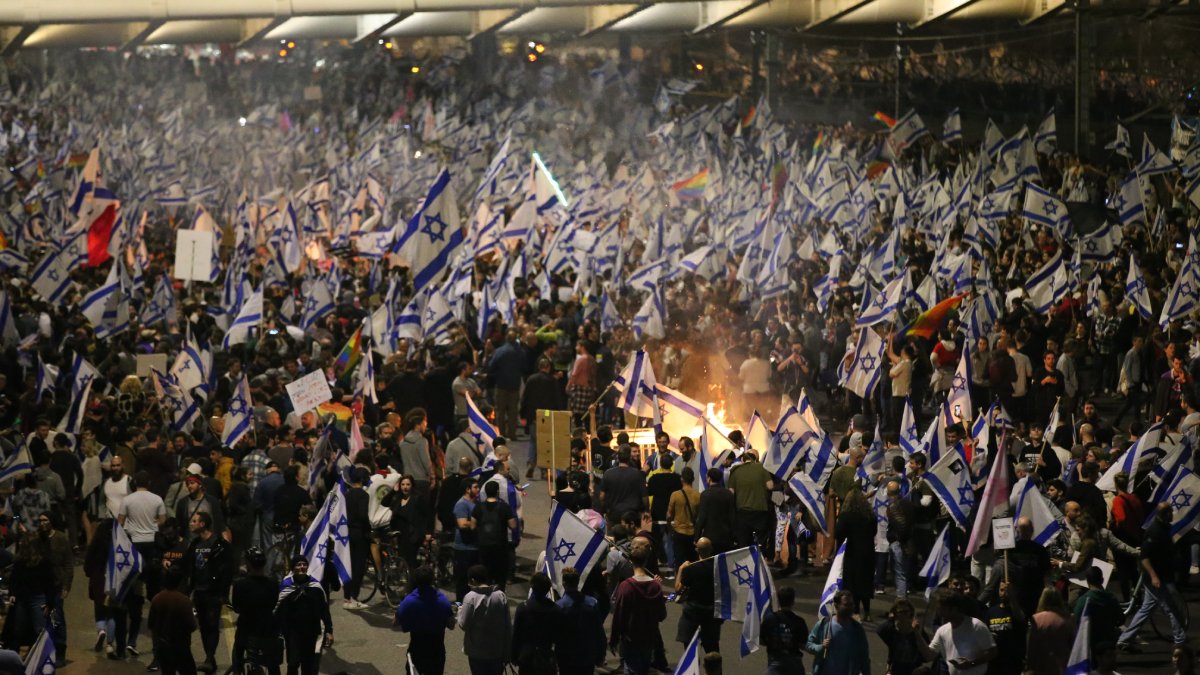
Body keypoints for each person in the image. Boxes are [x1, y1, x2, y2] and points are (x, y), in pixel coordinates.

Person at [1118, 502, 1188, 651]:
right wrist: (1154, 576)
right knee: (1171, 609)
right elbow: (1145, 557)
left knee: (1146, 609)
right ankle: (1180, 640)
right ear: (1164, 514)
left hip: (1161, 576)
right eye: (1170, 512)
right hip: (1156, 578)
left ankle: (1124, 640)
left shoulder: (1164, 528)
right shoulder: (1154, 531)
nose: (1172, 515)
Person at [181, 511, 232, 673]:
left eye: (194, 521)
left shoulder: (218, 544)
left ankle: (210, 657)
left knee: (211, 625)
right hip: (199, 592)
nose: (191, 524)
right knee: (203, 626)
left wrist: (224, 593)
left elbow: (227, 570)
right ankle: (210, 658)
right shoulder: (195, 544)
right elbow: (187, 567)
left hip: (213, 592)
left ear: (203, 524)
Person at [609, 545, 667, 675]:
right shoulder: (655, 586)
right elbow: (662, 615)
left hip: (631, 637)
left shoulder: (625, 586)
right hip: (649, 636)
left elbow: (619, 615)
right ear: (645, 561)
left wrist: (613, 639)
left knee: (631, 669)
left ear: (630, 561)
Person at [274, 555, 333, 675]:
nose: (302, 567)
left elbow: (324, 610)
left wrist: (329, 630)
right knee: (293, 663)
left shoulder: (315, 587)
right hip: (292, 632)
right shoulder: (286, 586)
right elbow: (277, 609)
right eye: (298, 564)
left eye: (304, 564)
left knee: (308, 665)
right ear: (292, 568)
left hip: (311, 631)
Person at [915, 589, 996, 675]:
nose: (939, 613)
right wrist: (916, 632)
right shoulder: (942, 631)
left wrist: (971, 663)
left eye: (942, 609)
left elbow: (993, 652)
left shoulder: (976, 625)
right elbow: (930, 655)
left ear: (954, 609)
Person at [394, 565, 456, 675]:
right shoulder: (442, 600)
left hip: (417, 646)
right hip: (437, 648)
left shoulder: (408, 601)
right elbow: (451, 625)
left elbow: (396, 623)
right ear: (432, 580)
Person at [230, 547, 281, 675]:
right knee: (273, 665)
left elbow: (236, 607)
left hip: (247, 628)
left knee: (238, 655)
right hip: (268, 628)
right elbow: (273, 603)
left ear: (248, 564)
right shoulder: (273, 584)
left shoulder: (240, 585)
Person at [458, 564, 512, 675]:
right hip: (497, 650)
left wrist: (460, 610)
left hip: (477, 652)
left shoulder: (470, 597)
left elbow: (463, 624)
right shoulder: (500, 595)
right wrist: (507, 651)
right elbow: (508, 626)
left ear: (472, 580)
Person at [674, 537, 723, 655]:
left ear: (697, 550)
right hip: (711, 614)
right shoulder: (719, 568)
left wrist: (681, 569)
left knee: (690, 654)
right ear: (711, 549)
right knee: (712, 651)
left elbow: (678, 589)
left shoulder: (691, 569)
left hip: (692, 614)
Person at [555, 566, 606, 675]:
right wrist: (601, 654)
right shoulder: (592, 603)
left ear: (564, 583)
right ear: (578, 582)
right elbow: (599, 632)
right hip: (587, 656)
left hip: (566, 658)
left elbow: (555, 634)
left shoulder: (559, 606)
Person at [836, 489, 878, 620]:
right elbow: (874, 532)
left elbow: (839, 533)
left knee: (852, 583)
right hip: (868, 553)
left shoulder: (846, 515)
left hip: (852, 552)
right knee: (865, 582)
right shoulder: (870, 515)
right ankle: (867, 611)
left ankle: (855, 611)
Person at [806, 589, 870, 675]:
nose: (850, 608)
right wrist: (821, 647)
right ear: (836, 606)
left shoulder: (857, 629)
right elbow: (809, 645)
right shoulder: (824, 625)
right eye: (846, 605)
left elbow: (864, 657)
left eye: (852, 604)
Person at [470, 480, 517, 592]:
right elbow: (513, 525)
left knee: (485, 574)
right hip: (500, 546)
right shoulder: (504, 507)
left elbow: (472, 526)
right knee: (500, 575)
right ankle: (499, 597)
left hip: (484, 546)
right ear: (497, 492)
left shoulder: (478, 507)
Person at [148, 569, 197, 675]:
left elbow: (151, 623)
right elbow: (192, 626)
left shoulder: (157, 598)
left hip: (163, 646)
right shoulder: (184, 601)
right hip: (181, 646)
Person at [726, 449, 775, 553]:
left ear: (743, 459)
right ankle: (760, 564)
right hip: (760, 510)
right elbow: (770, 486)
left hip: (742, 511)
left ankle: (746, 566)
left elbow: (731, 493)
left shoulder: (735, 471)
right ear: (755, 459)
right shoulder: (761, 468)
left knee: (743, 543)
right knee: (761, 542)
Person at [511, 572, 560, 675]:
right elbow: (559, 636)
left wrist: (513, 656)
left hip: (526, 656)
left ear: (532, 587)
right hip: (546, 655)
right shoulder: (555, 609)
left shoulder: (523, 607)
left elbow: (516, 634)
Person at [1025, 588, 1075, 674]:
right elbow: (1073, 644)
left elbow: (1031, 646)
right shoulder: (1068, 619)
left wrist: (1029, 667)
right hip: (1063, 666)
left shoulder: (1035, 619)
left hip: (1041, 666)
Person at [342, 467, 373, 610]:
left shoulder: (346, 494)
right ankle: (354, 597)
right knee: (358, 566)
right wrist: (368, 529)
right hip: (359, 533)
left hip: (346, 532)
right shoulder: (363, 495)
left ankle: (347, 597)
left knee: (348, 565)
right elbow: (362, 515)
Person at [760, 586, 808, 675]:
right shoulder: (799, 621)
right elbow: (803, 645)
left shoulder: (770, 619)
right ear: (793, 602)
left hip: (775, 661)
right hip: (794, 663)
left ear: (778, 601)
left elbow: (761, 640)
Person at [875, 598, 926, 675]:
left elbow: (926, 649)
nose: (904, 615)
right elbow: (880, 630)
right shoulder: (891, 628)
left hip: (914, 668)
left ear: (911, 613)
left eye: (906, 612)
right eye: (901, 612)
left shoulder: (916, 629)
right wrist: (891, 620)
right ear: (895, 614)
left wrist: (917, 632)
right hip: (896, 667)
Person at [600, 447, 645, 530]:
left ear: (618, 457)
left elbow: (602, 496)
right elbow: (644, 497)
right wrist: (646, 511)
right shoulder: (637, 474)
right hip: (632, 515)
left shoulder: (608, 474)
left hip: (613, 514)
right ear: (629, 457)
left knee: (613, 540)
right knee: (632, 540)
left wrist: (605, 511)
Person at [453, 478, 482, 602]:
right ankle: (461, 604)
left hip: (475, 546)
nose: (478, 490)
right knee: (463, 580)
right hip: (464, 548)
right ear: (467, 489)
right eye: (475, 487)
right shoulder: (462, 504)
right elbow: (462, 524)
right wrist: (479, 522)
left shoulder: (476, 502)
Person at [694, 468, 737, 553]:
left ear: (709, 478)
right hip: (726, 536)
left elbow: (702, 517)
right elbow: (732, 517)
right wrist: (735, 537)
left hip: (710, 536)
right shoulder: (728, 494)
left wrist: (696, 537)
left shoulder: (705, 494)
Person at [667, 467, 701, 568]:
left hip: (679, 531)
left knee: (680, 561)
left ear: (681, 479)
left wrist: (670, 526)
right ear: (693, 479)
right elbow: (699, 516)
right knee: (693, 561)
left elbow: (669, 515)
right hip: (692, 532)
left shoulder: (675, 495)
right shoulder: (698, 495)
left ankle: (680, 581)